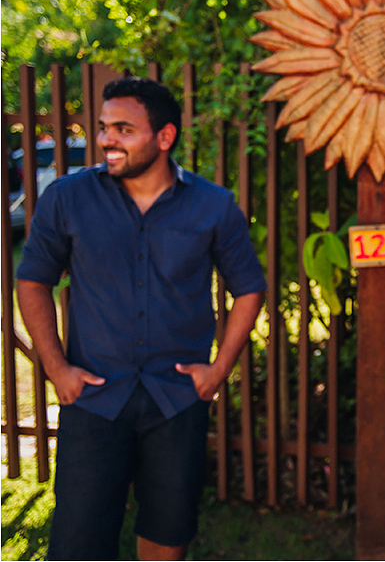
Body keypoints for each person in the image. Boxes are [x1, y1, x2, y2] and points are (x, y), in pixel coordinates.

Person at [16, 77, 267, 560]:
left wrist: (218, 370)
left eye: (124, 129)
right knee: (77, 544)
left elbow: (249, 289)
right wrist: (55, 368)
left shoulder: (213, 205)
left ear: (164, 136)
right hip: (92, 397)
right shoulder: (68, 199)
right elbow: (32, 281)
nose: (107, 139)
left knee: (166, 537)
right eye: (105, 128)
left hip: (175, 401)